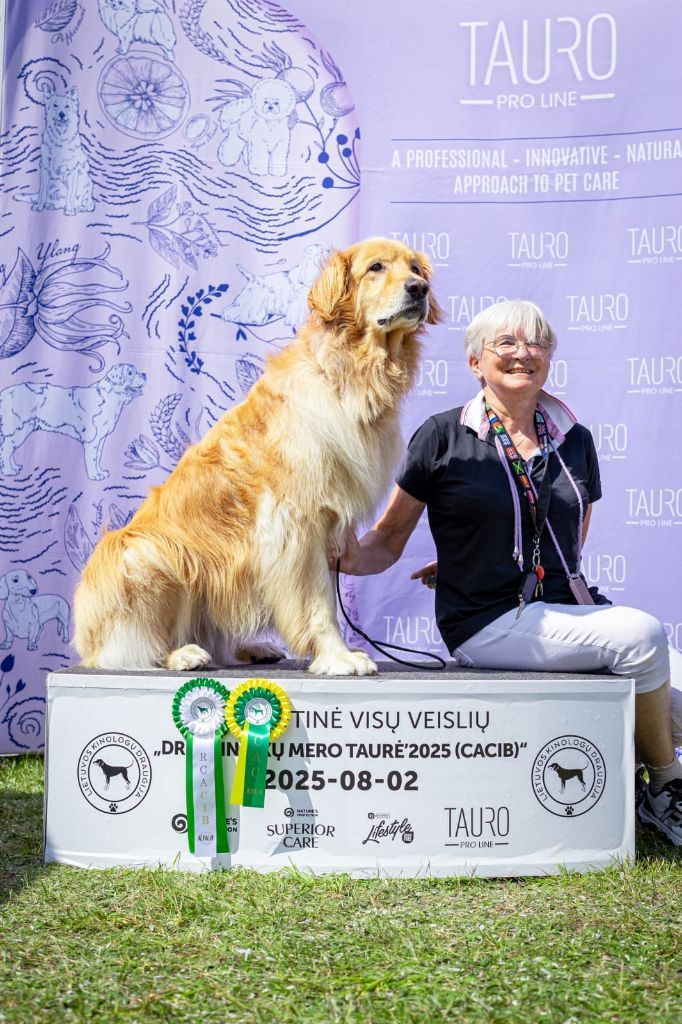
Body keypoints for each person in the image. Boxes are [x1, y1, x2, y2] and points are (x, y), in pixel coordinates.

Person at [335, 299, 682, 847]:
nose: (524, 354)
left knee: (672, 685)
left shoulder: (575, 437)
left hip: (565, 610)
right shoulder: (442, 436)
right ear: (476, 362)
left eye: (538, 344)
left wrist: (487, 551)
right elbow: (387, 539)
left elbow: (568, 537)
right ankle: (664, 787)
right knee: (641, 637)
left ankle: (631, 781)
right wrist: (338, 553)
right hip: (486, 621)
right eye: (507, 344)